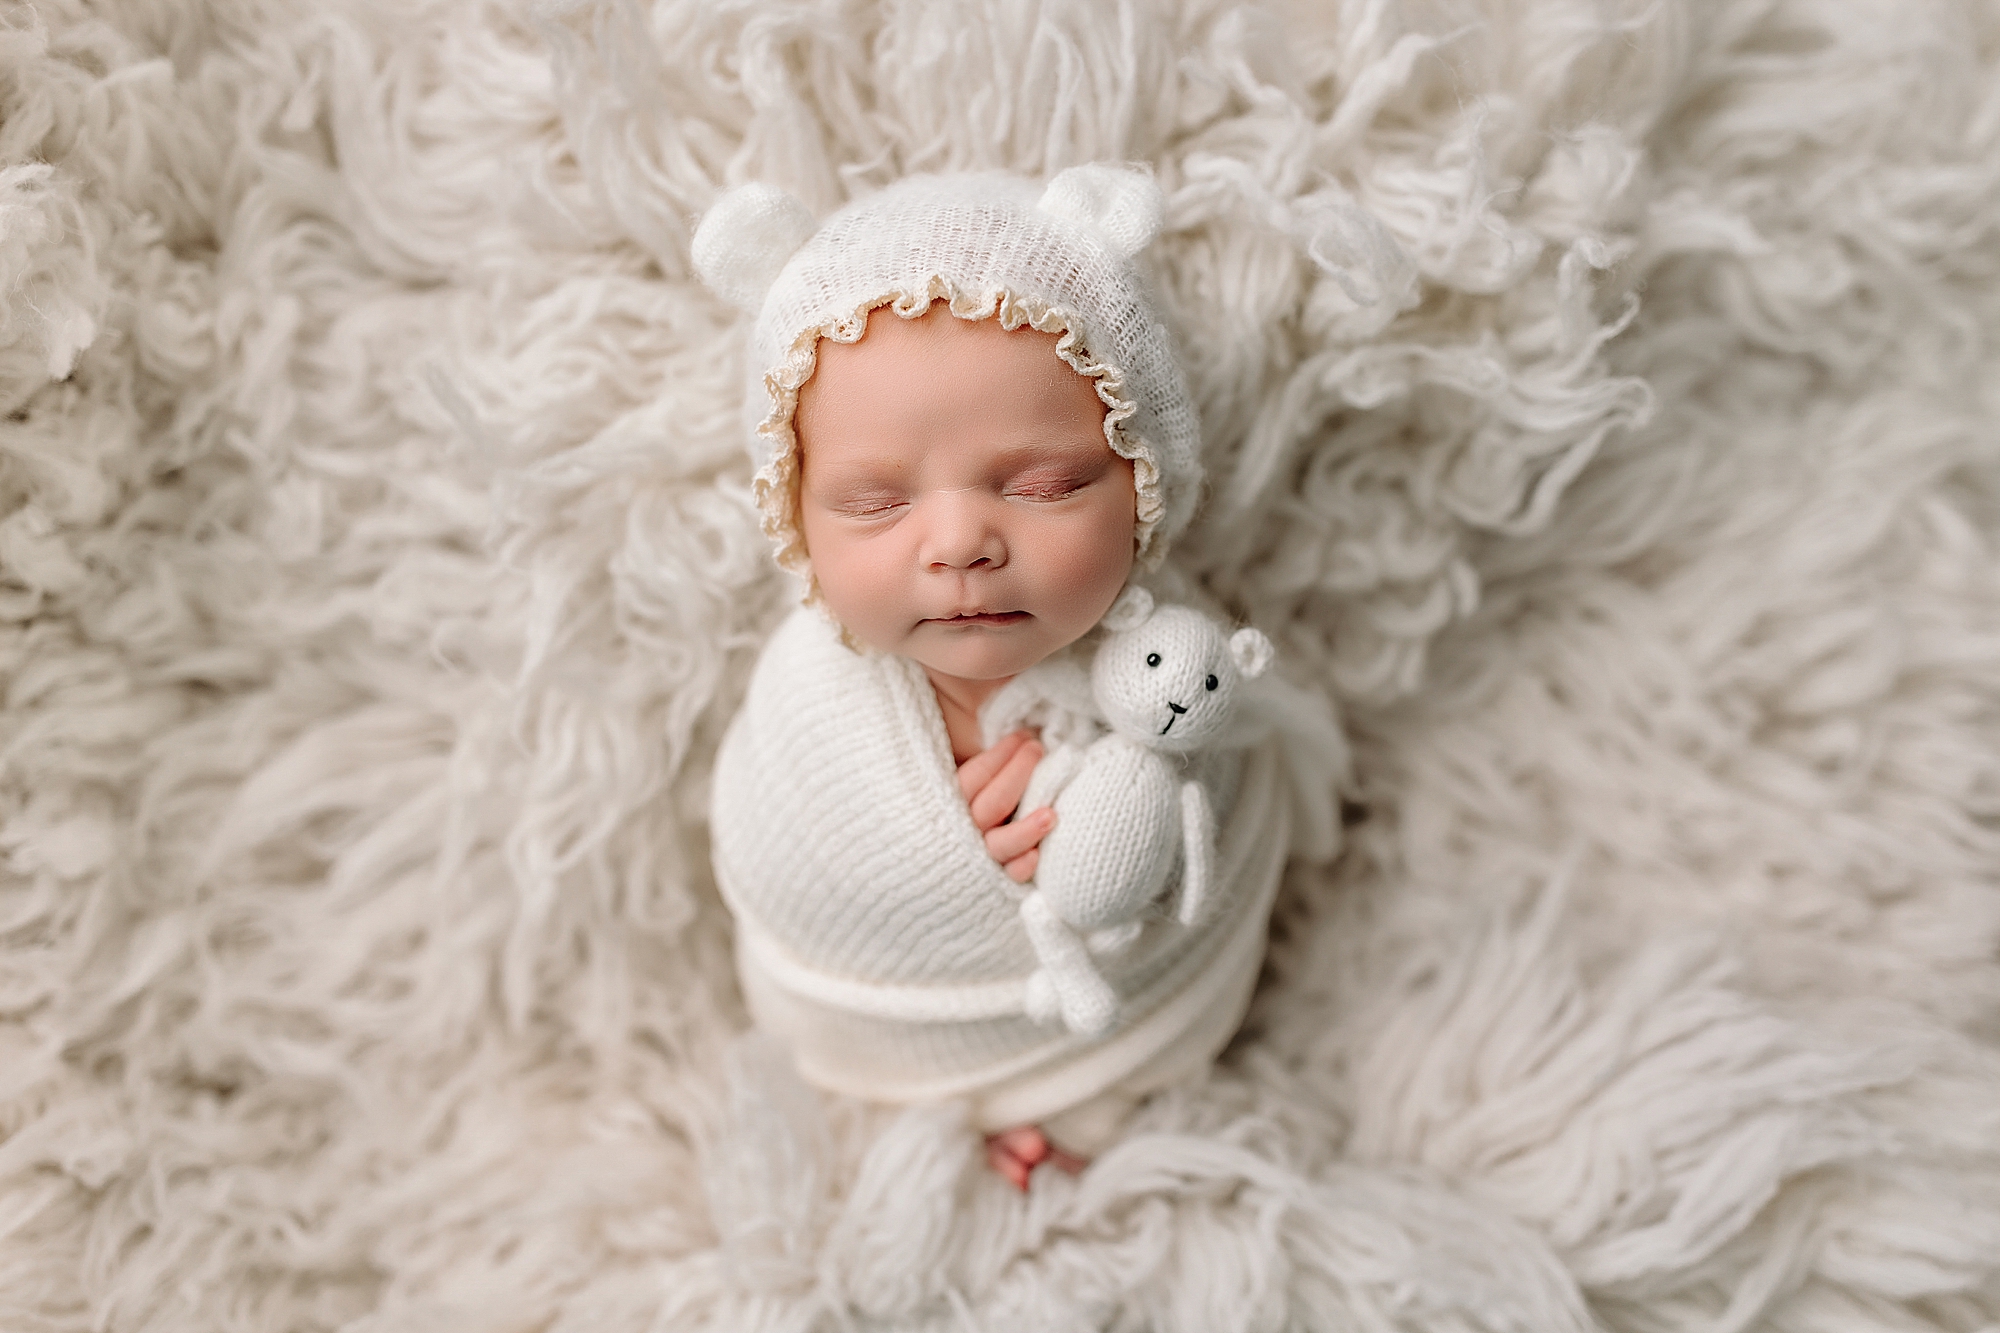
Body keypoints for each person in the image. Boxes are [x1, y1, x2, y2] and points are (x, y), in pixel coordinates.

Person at [696, 167, 1292, 1189]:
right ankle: (945, 1116)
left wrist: (1117, 832)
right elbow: (781, 853)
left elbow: (1232, 778)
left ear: (1142, 481)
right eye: (875, 502)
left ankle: (1079, 1109)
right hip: (880, 1027)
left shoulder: (1172, 654)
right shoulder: (813, 696)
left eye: (1041, 486)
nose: (961, 541)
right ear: (794, 520)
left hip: (1132, 1025)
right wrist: (927, 854)